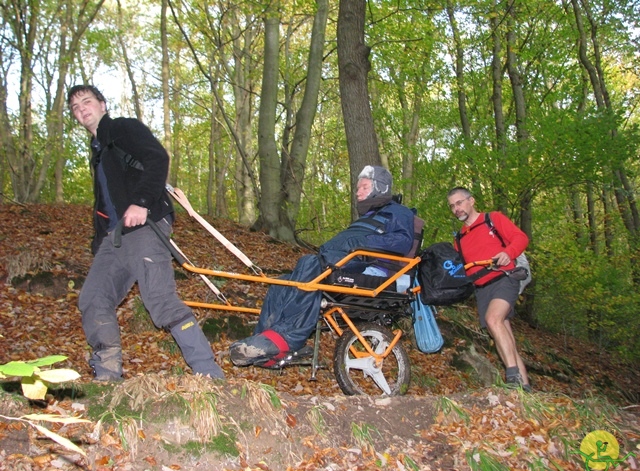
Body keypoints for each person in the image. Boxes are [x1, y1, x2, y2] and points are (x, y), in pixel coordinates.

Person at [67, 85, 225, 381]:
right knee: (93, 298)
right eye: (75, 107)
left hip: (144, 226)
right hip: (115, 239)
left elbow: (157, 158)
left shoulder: (122, 129)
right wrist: (99, 241)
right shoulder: (98, 151)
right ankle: (107, 377)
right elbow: (106, 201)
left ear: (102, 104)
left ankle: (210, 375)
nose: (81, 109)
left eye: (86, 102)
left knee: (161, 302)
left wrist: (141, 203)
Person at [230, 166, 415, 367]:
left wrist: (361, 244)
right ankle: (264, 342)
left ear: (380, 187)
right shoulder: (367, 218)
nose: (358, 192)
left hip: (368, 268)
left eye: (364, 187)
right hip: (342, 262)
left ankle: (287, 338)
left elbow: (403, 242)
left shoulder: (398, 211)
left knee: (309, 263)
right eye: (357, 188)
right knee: (281, 283)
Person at [447, 187, 531, 391]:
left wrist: (508, 253)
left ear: (471, 200)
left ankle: (512, 379)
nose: (456, 209)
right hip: (482, 289)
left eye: (459, 203)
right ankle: (526, 389)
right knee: (504, 336)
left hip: (504, 277)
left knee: (494, 320)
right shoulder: (459, 239)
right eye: (452, 206)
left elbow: (521, 238)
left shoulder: (492, 219)